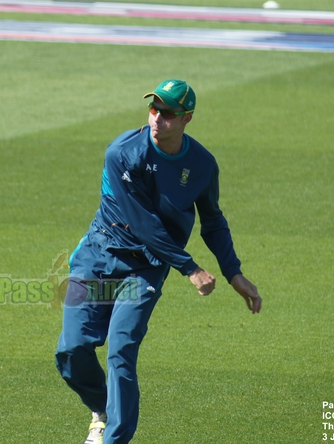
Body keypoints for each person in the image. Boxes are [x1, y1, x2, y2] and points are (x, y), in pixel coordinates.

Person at [55, 79, 262, 444]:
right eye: (154, 109)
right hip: (97, 256)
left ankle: (112, 439)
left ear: (187, 119)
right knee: (71, 350)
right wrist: (190, 268)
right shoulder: (121, 152)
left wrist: (233, 272)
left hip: (145, 267)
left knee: (121, 350)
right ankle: (102, 409)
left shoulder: (201, 165)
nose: (157, 118)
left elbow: (212, 220)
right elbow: (142, 222)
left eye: (167, 113)